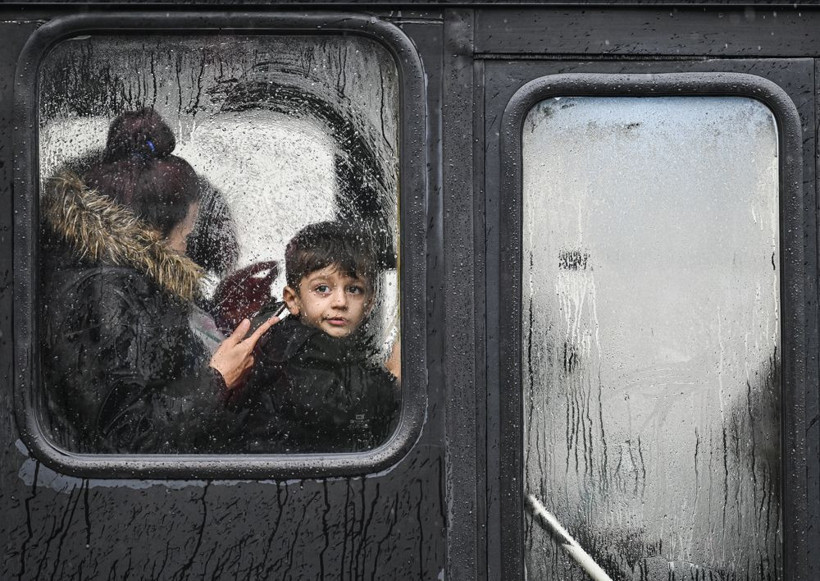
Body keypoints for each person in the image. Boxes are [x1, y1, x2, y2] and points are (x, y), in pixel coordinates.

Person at [40, 108, 276, 454]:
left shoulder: (122, 278)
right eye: (185, 235)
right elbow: (127, 437)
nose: (186, 248)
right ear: (152, 233)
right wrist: (216, 382)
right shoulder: (107, 293)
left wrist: (224, 309)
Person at [239, 221, 400, 453]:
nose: (340, 302)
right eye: (322, 289)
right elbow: (337, 407)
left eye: (354, 289)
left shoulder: (335, 345)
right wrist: (391, 380)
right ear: (293, 300)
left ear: (369, 303)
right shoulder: (294, 346)